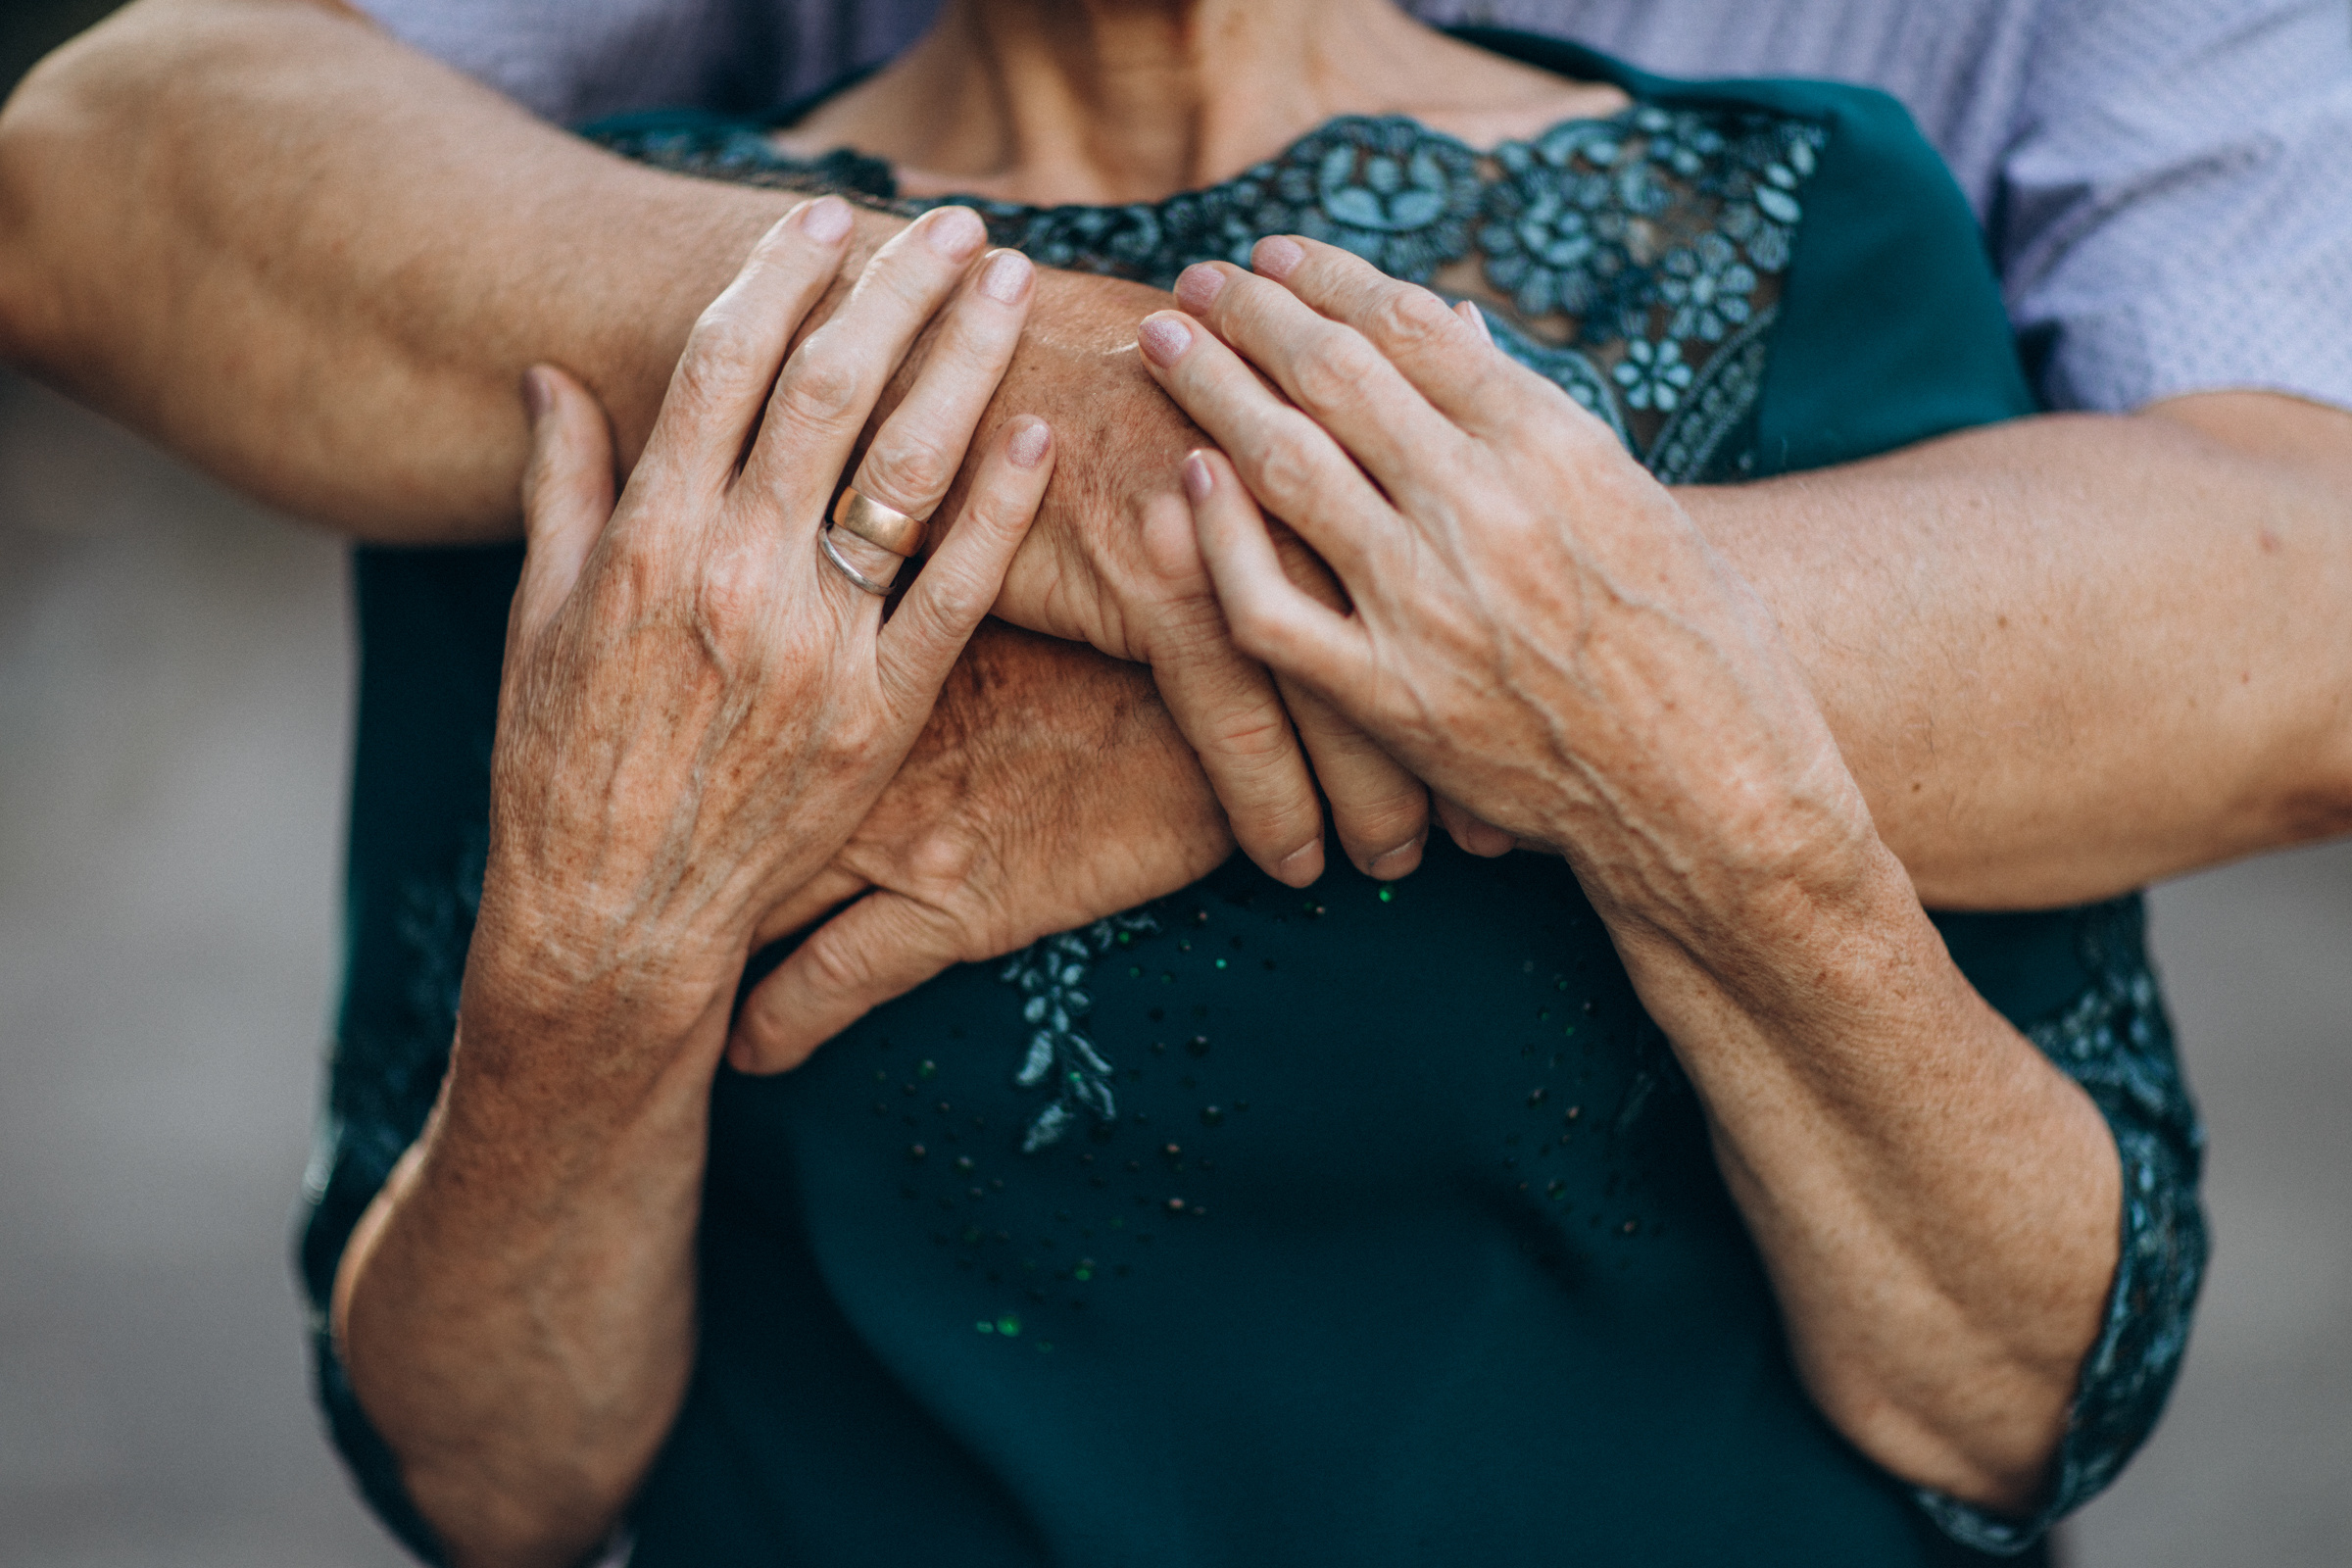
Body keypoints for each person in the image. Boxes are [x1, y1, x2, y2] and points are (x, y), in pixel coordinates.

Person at [259, 2, 2206, 1562]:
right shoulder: (637, 316)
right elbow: (485, 1477)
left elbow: (2031, 1390)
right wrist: (598, 961)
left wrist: (1680, 780)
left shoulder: (1787, 228)